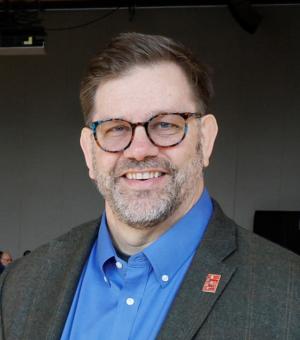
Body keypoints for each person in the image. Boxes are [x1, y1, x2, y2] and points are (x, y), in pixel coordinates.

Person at [0, 33, 300, 340]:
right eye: (116, 128)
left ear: (206, 139)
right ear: (88, 151)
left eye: (166, 124)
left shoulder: (289, 295)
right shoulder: (23, 284)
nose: (139, 150)